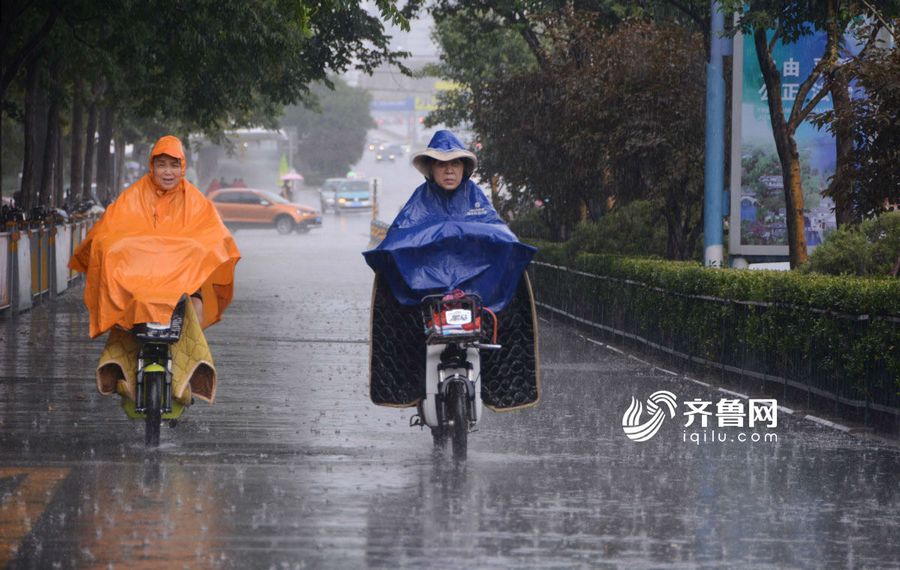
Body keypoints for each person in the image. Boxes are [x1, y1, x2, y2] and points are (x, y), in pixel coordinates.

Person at [70, 135, 241, 404]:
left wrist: (197, 252)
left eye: (174, 165)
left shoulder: (195, 201)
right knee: (122, 307)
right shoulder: (133, 196)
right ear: (152, 166)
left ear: (182, 167)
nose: (168, 172)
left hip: (181, 284)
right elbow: (110, 228)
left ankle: (185, 378)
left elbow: (213, 234)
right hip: (138, 284)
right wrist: (107, 248)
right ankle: (123, 374)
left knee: (194, 306)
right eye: (162, 165)